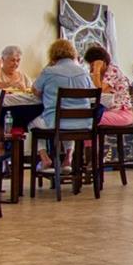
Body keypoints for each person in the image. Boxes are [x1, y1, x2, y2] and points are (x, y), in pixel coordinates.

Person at [31, 39, 94, 172]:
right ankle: (68, 158)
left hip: (55, 121)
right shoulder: (84, 72)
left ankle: (44, 158)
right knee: (68, 123)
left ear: (53, 54)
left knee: (31, 121)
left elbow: (35, 90)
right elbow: (92, 93)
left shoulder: (49, 71)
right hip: (83, 123)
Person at [84, 44, 133, 128]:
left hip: (123, 114)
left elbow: (99, 91)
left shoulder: (112, 70)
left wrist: (96, 71)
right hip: (111, 112)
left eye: (92, 64)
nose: (91, 68)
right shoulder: (101, 75)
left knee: (89, 119)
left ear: (101, 62)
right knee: (88, 117)